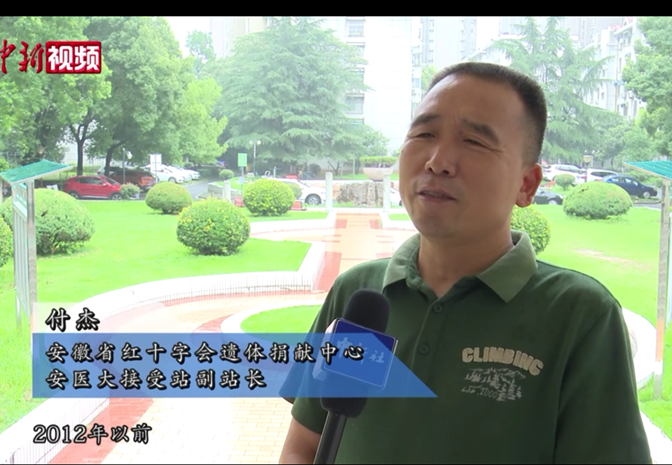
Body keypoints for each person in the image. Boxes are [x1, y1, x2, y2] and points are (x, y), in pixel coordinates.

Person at [278, 62, 652, 464]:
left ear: (527, 184)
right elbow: (303, 446)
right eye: (424, 134)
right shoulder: (358, 295)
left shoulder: (580, 316)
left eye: (474, 141)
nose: (437, 161)